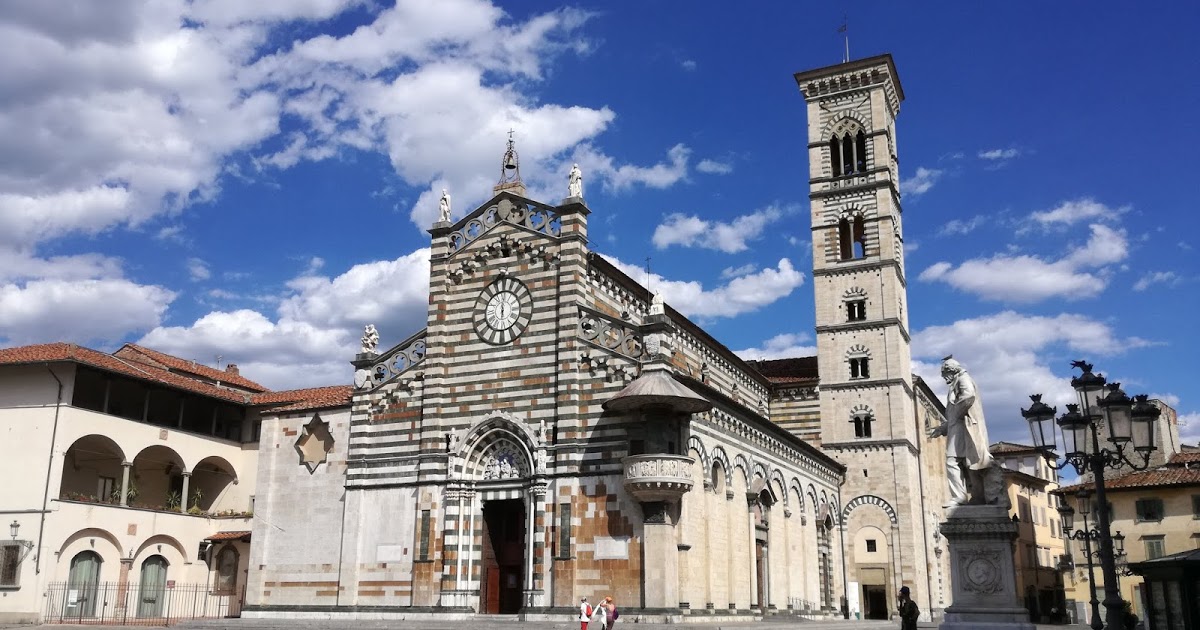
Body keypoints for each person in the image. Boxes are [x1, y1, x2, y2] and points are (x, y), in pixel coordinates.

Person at [927, 355, 992, 506]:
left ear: (950, 370)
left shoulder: (963, 379)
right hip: (959, 427)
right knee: (968, 461)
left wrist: (957, 414)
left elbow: (968, 395)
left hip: (963, 428)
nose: (944, 378)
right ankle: (978, 496)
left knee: (953, 461)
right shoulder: (958, 380)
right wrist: (943, 428)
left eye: (944, 374)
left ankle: (960, 497)